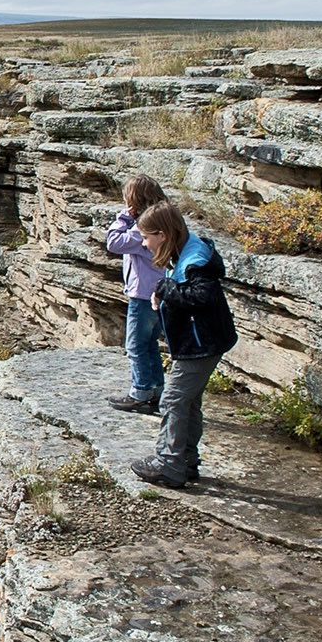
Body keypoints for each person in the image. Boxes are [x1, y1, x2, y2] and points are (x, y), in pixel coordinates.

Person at [130, 201, 238, 489]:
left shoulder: (196, 261)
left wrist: (165, 289)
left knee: (173, 400)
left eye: (146, 237)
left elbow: (203, 296)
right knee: (188, 402)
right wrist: (162, 291)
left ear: (162, 235)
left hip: (201, 344)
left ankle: (169, 465)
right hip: (203, 342)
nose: (144, 243)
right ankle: (186, 460)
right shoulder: (185, 253)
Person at [104, 176, 169, 414]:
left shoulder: (142, 228)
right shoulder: (164, 220)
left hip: (143, 296)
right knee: (149, 344)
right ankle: (157, 392)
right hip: (159, 294)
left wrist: (124, 216)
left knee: (135, 346)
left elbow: (113, 242)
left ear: (134, 200)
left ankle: (140, 393)